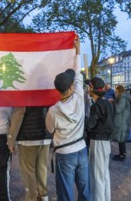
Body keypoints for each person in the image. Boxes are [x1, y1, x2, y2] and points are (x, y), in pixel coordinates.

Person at [46, 35, 90, 201]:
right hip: (81, 149)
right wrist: (77, 51)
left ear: (57, 89)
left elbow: (50, 129)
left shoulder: (53, 110)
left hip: (65, 153)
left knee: (65, 193)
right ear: (72, 87)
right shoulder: (79, 97)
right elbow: (78, 74)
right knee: (85, 190)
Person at [8, 107, 51, 201]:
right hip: (45, 136)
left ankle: (31, 198)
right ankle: (43, 195)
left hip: (27, 138)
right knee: (42, 168)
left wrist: (11, 139)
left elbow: (18, 115)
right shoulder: (45, 92)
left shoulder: (23, 92)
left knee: (28, 171)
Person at [86, 77, 114, 201]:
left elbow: (90, 125)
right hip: (106, 141)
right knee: (104, 174)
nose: (88, 89)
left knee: (97, 175)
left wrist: (81, 117)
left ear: (93, 89)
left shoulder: (96, 106)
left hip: (98, 141)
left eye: (89, 87)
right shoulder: (107, 103)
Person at [112, 85, 131, 161]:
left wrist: (113, 103)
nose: (115, 93)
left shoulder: (123, 99)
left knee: (121, 139)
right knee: (121, 140)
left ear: (120, 91)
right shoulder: (123, 98)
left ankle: (122, 156)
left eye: (116, 91)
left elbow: (118, 109)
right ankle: (122, 154)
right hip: (123, 120)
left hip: (122, 121)